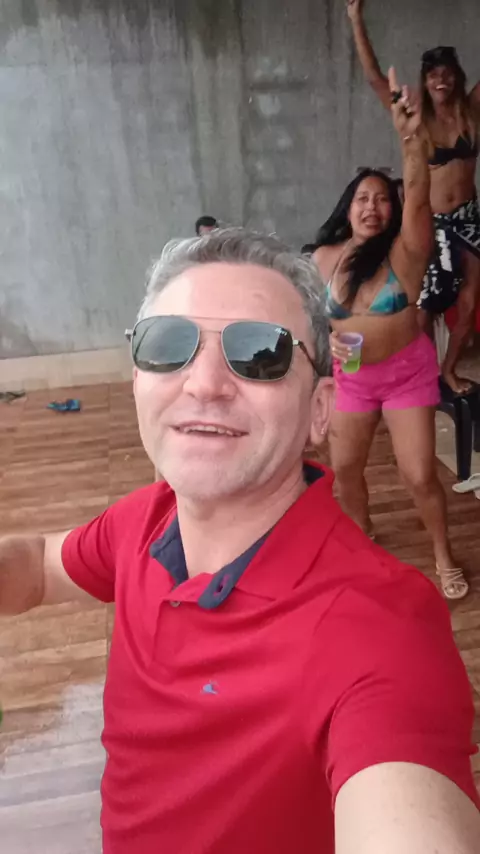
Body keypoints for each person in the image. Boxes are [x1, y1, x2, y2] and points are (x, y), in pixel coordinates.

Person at [1, 227, 479, 854]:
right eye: (168, 345)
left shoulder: (382, 629)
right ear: (138, 379)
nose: (203, 384)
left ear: (319, 410)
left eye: (259, 353)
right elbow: (39, 565)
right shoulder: (143, 523)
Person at [313, 69, 468, 600]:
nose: (372, 207)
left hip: (406, 376)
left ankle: (442, 553)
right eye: (363, 198)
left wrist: (410, 140)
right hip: (352, 378)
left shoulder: (406, 254)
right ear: (348, 207)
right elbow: (304, 317)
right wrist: (324, 344)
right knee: (344, 469)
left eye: (382, 199)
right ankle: (361, 536)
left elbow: (420, 195)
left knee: (419, 474)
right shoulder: (324, 258)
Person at [347, 0, 480, 394]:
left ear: (457, 76)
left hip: (469, 217)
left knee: (470, 302)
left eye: (448, 73)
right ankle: (417, 377)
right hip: (430, 221)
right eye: (433, 74)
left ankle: (448, 371)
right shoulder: (415, 116)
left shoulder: (472, 111)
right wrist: (356, 19)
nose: (441, 79)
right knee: (425, 306)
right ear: (424, 80)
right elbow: (374, 76)